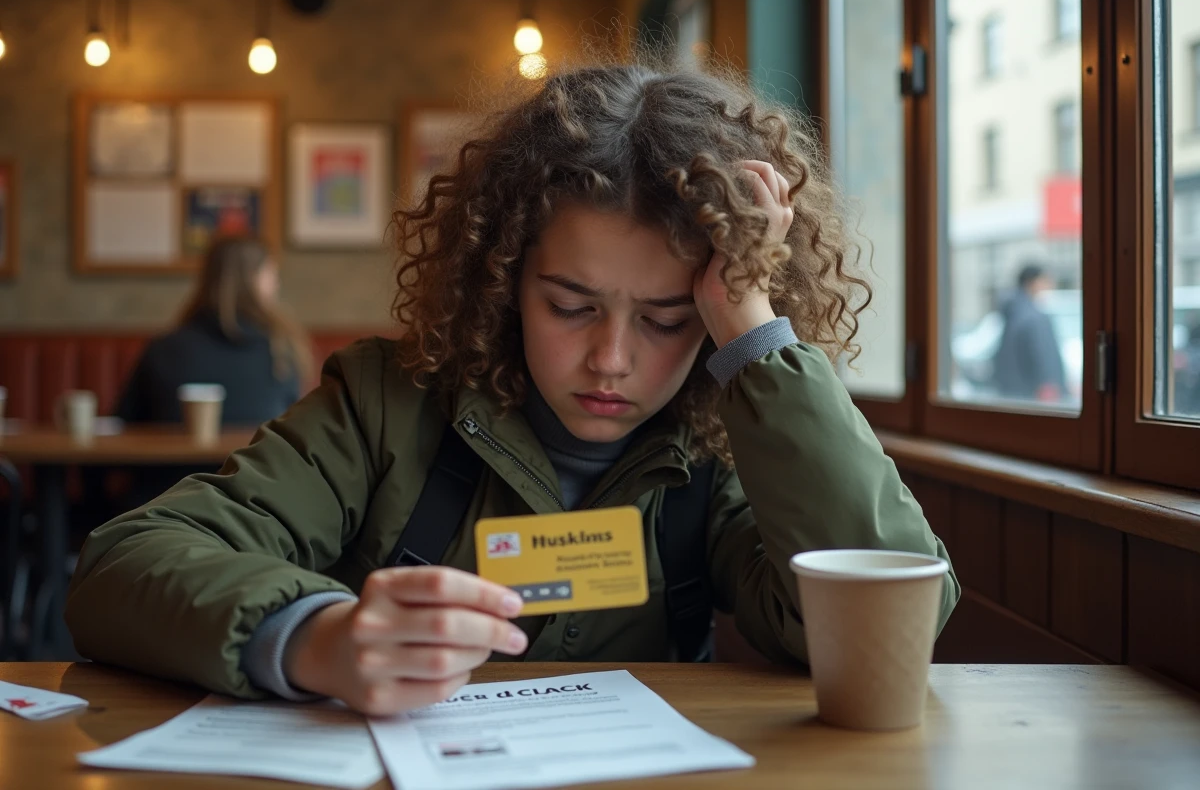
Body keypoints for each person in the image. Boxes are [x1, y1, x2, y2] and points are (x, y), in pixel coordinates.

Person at [65, 62, 959, 716]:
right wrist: (314, 637)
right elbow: (121, 566)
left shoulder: (725, 443)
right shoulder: (385, 404)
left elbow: (886, 614)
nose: (611, 359)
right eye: (570, 305)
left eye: (665, 320)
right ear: (502, 283)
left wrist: (755, 332)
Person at [115, 237, 312, 425]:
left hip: (176, 461)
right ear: (255, 278)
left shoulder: (164, 348)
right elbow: (295, 426)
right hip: (263, 460)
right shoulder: (281, 349)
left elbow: (125, 423)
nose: (276, 284)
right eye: (271, 273)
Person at [992, 264, 1066, 402]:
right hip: (1034, 397)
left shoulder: (1012, 312)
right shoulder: (1034, 318)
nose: (1049, 286)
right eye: (1045, 280)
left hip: (1012, 394)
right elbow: (1045, 357)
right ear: (1032, 282)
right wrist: (1050, 388)